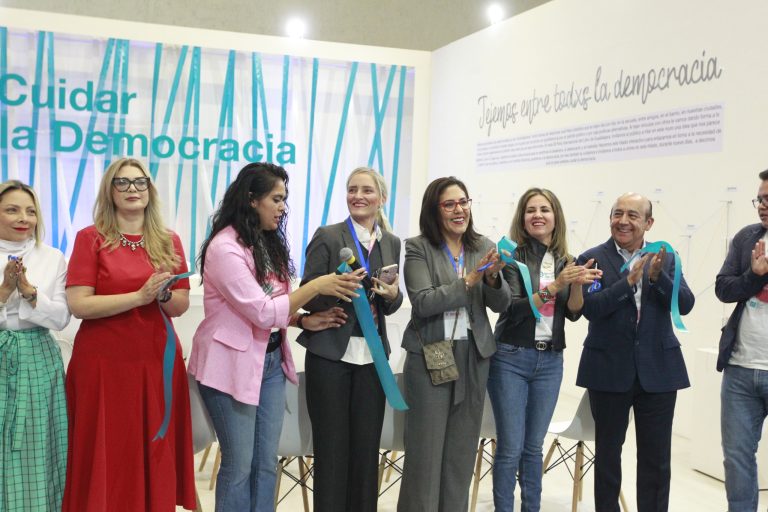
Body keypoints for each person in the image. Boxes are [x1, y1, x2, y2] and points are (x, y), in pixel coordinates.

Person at [187, 162, 360, 512]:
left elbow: (273, 304)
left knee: (265, 464)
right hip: (228, 369)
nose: (283, 208)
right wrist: (316, 285)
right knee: (239, 466)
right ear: (252, 200)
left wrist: (299, 320)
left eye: (285, 199)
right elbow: (262, 310)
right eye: (276, 199)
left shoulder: (265, 242)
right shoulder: (225, 248)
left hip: (269, 364)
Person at [63, 158, 196, 511]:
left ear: (149, 190)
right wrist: (140, 297)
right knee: (107, 448)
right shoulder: (89, 239)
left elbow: (179, 305)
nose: (132, 189)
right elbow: (79, 304)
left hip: (155, 361)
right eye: (122, 183)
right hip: (103, 363)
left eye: (139, 182)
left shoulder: (169, 240)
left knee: (151, 447)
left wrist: (164, 294)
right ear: (110, 191)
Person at [397, 176, 511, 512]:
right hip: (432, 353)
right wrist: (471, 279)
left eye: (463, 202)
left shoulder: (482, 245)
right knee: (426, 455)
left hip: (473, 356)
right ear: (435, 210)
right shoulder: (418, 247)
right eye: (449, 204)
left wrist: (492, 278)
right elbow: (424, 302)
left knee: (461, 454)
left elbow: (501, 304)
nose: (459, 209)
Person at [575, 192, 694, 512]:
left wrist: (659, 277)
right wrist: (628, 282)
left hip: (659, 369)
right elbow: (591, 309)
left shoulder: (665, 257)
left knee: (657, 459)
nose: (623, 221)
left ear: (648, 223)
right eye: (617, 214)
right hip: (608, 368)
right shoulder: (591, 258)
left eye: (632, 215)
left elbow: (685, 304)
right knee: (608, 456)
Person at [488, 187, 601, 511]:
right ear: (522, 219)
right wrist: (556, 285)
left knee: (533, 448)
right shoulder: (512, 257)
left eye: (545, 209)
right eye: (531, 210)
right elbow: (510, 308)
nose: (538, 215)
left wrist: (576, 284)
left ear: (556, 218)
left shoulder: (567, 261)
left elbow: (575, 312)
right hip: (511, 357)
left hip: (550, 361)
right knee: (511, 447)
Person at [298, 167, 403, 512]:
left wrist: (391, 295)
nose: (358, 196)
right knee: (331, 452)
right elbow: (307, 294)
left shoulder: (391, 242)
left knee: (365, 451)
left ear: (381, 199)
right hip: (331, 356)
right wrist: (334, 289)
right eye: (352, 189)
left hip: (372, 359)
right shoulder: (328, 236)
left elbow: (392, 301)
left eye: (367, 190)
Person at [0, 181, 70, 511]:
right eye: (11, 209)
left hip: (38, 359)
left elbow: (60, 318)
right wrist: (4, 290)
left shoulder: (52, 257)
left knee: (38, 448)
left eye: (30, 211)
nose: (22, 218)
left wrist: (29, 291)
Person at [715, 168, 768, 512]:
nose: (763, 206)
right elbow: (724, 288)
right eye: (760, 199)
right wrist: (755, 275)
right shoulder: (747, 238)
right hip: (739, 369)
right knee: (736, 459)